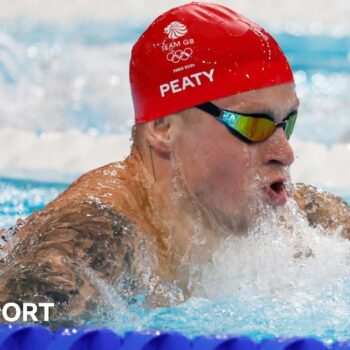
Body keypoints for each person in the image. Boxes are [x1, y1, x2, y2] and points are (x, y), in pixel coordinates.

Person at [0, 2, 348, 326]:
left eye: (287, 123)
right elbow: (14, 320)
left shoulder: (303, 218)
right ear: (163, 127)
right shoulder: (98, 233)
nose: (285, 152)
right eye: (253, 124)